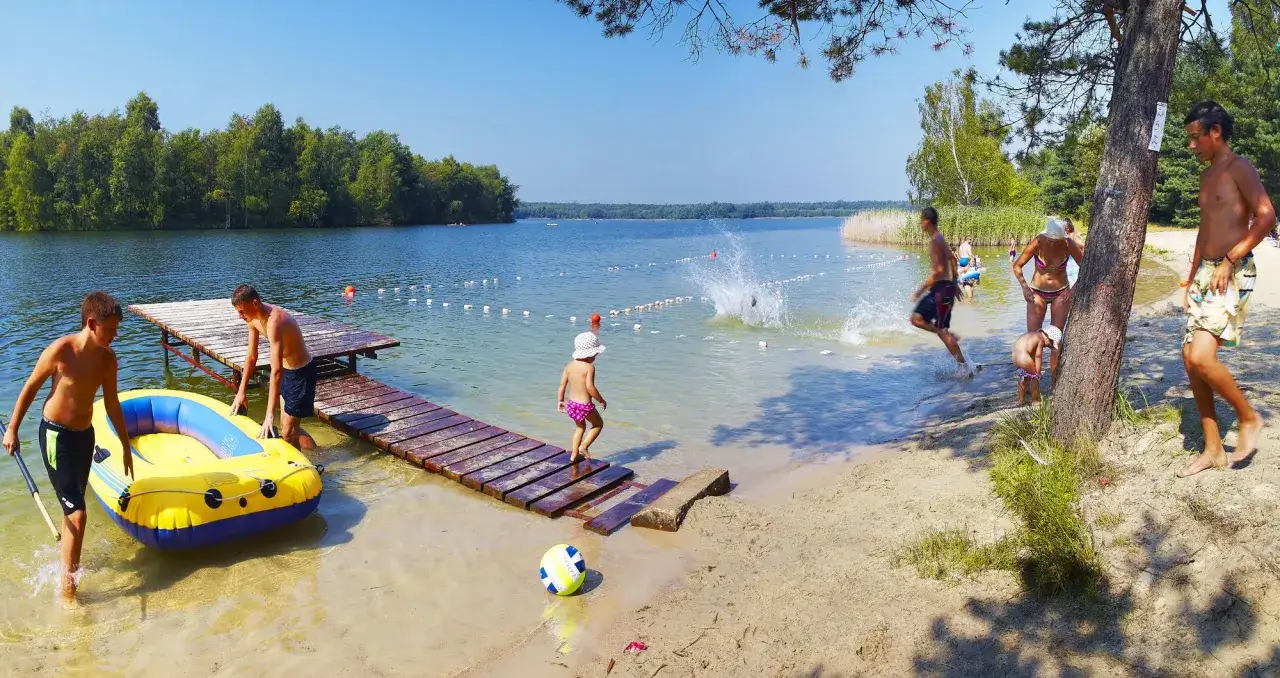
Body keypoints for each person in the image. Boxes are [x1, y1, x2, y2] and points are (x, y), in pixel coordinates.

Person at [3, 292, 133, 599]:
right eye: (110, 329)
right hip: (55, 435)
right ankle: (68, 593)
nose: (114, 336)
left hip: (84, 436)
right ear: (91, 323)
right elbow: (30, 387)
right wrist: (12, 429)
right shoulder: (61, 350)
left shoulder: (108, 359)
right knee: (78, 513)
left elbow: (112, 405)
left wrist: (126, 445)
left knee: (72, 506)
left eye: (116, 329)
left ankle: (66, 566)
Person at [1177, 101, 1275, 477]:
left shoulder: (1240, 167)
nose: (1192, 146)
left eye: (1195, 137)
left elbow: (1266, 216)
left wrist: (1230, 260)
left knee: (1203, 357)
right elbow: (1203, 232)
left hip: (1232, 270)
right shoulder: (1206, 177)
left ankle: (1248, 418)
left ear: (1215, 132)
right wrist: (1190, 279)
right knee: (1189, 359)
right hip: (1206, 273)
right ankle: (1213, 448)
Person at [229, 285, 316, 450]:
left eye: (242, 311)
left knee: (288, 431)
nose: (240, 316)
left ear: (255, 303)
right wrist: (241, 392)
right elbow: (251, 357)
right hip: (286, 370)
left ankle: (318, 456)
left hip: (301, 372)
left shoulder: (274, 322)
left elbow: (275, 372)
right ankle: (312, 452)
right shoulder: (252, 319)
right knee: (287, 427)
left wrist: (269, 415)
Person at [1012, 217, 1084, 383]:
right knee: (1032, 338)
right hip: (1037, 293)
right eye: (1050, 240)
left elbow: (1085, 267)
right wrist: (1024, 287)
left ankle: (1055, 382)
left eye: (1055, 240)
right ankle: (1030, 382)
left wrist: (1073, 290)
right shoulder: (1038, 242)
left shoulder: (1068, 244)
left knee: (1056, 341)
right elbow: (1017, 266)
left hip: (1061, 293)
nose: (1052, 243)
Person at [910, 207, 974, 378]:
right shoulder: (940, 238)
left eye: (921, 220)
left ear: (927, 221)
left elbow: (938, 270)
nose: (920, 224)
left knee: (917, 320)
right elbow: (953, 259)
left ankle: (964, 367)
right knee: (940, 329)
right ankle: (964, 365)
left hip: (939, 291)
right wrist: (954, 283)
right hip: (945, 289)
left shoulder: (935, 241)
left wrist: (920, 291)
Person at [557, 332, 607, 462]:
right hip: (585, 406)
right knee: (598, 424)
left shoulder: (569, 366)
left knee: (580, 427)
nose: (595, 357)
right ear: (589, 354)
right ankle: (584, 447)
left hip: (572, 404)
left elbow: (562, 385)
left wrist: (560, 401)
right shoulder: (589, 367)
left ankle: (574, 455)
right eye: (595, 354)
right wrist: (601, 400)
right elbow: (590, 387)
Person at [1012, 325, 1061, 406]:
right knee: (1034, 378)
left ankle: (1021, 400)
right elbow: (1038, 356)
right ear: (1048, 337)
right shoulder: (1040, 339)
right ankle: (1035, 400)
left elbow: (1029, 350)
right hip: (1024, 357)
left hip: (1015, 356)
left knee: (1023, 377)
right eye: (1049, 344)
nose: (1047, 347)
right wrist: (1038, 371)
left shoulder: (1033, 335)